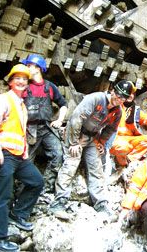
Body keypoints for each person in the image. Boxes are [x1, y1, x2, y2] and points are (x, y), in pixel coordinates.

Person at [0, 64, 44, 252]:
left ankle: (18, 214)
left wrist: (25, 150)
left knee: (36, 181)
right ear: (10, 81)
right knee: (2, 196)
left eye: (24, 79)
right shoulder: (2, 100)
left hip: (18, 156)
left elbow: (19, 131)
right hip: (2, 154)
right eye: (17, 78)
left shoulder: (20, 104)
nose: (21, 82)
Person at [50, 80, 132, 215]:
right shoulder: (96, 98)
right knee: (71, 163)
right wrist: (74, 142)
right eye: (118, 94)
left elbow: (111, 129)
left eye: (123, 97)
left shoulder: (117, 112)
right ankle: (59, 202)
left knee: (96, 167)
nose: (119, 99)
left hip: (92, 138)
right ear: (112, 91)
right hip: (76, 133)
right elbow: (76, 119)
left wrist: (102, 142)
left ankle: (100, 204)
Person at [21, 53, 68, 193]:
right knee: (26, 161)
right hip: (29, 129)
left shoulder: (49, 87)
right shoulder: (25, 87)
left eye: (29, 65)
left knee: (57, 154)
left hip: (46, 128)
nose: (27, 68)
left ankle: (46, 188)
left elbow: (63, 104)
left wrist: (59, 120)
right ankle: (25, 191)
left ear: (38, 68)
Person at [109, 90, 147, 166]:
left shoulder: (135, 110)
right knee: (124, 146)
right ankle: (120, 162)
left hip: (130, 139)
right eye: (129, 93)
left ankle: (130, 161)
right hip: (115, 139)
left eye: (133, 93)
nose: (131, 95)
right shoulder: (115, 105)